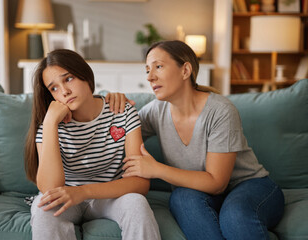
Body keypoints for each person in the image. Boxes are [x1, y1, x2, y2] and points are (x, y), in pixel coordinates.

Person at [106, 40, 284, 240]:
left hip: (251, 187)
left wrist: (156, 169)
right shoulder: (156, 111)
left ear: (185, 70)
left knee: (235, 215)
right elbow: (114, 135)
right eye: (147, 69)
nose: (149, 76)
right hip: (199, 193)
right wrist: (112, 104)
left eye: (158, 66)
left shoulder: (220, 110)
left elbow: (217, 182)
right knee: (181, 199)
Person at [24, 49, 160, 240]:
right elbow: (49, 188)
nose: (64, 91)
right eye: (53, 88)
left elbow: (140, 183)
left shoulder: (122, 112)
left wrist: (82, 192)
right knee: (44, 210)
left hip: (109, 197)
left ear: (85, 76)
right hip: (65, 200)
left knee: (136, 203)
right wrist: (49, 124)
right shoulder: (48, 125)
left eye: (68, 79)